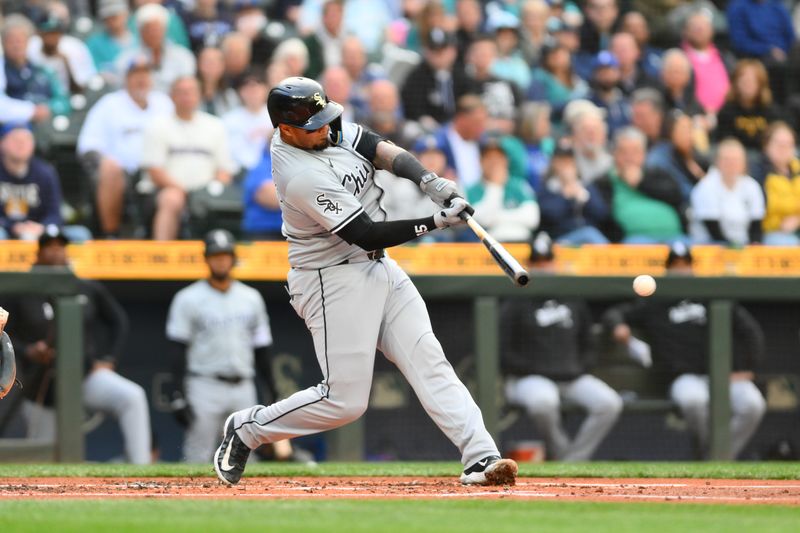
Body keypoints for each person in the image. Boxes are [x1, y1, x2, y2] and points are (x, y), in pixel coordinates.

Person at [213, 77, 518, 487]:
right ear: (286, 129)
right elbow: (365, 232)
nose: (325, 130)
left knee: (428, 357)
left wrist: (427, 179)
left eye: (325, 120)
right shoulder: (299, 174)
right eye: (313, 126)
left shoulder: (321, 127)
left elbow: (376, 146)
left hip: (379, 268)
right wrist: (434, 221)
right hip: (331, 278)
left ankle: (480, 455)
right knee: (343, 403)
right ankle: (248, 429)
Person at [604, 242, 767, 459]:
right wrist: (618, 325)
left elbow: (751, 332)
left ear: (693, 267)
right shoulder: (656, 302)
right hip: (685, 377)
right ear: (667, 269)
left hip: (723, 376)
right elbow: (614, 313)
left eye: (685, 265)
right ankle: (712, 456)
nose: (681, 270)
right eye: (676, 265)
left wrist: (749, 368)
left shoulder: (709, 294)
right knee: (693, 401)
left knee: (753, 404)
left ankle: (715, 458)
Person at [5, 225, 151, 463]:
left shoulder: (85, 286)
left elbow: (118, 321)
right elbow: (5, 331)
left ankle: (142, 465)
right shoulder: (22, 288)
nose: (56, 253)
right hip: (38, 387)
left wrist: (108, 358)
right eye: (49, 247)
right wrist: (27, 351)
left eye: (60, 247)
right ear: (38, 254)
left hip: (83, 378)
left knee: (132, 396)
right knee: (42, 463)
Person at [167, 229, 291, 462]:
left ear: (233, 258)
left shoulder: (251, 297)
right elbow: (177, 349)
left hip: (243, 386)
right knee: (197, 455)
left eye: (225, 255)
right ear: (206, 259)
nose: (221, 260)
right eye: (216, 255)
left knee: (247, 457)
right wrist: (177, 393)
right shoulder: (187, 298)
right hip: (204, 385)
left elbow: (262, 348)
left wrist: (272, 389)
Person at [502, 234, 622, 460]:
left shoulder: (571, 297)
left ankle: (573, 460)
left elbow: (588, 342)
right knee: (543, 402)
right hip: (530, 378)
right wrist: (534, 366)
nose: (544, 267)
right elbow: (502, 349)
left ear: (555, 263)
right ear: (530, 266)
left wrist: (579, 367)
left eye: (547, 261)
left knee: (609, 403)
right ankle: (561, 453)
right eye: (538, 262)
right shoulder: (515, 300)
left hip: (570, 377)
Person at [77, 57, 174, 238]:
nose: (141, 79)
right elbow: (88, 146)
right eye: (136, 74)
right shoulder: (109, 104)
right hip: (122, 173)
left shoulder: (164, 103)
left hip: (157, 171)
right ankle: (110, 234)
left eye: (145, 74)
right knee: (110, 169)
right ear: (126, 78)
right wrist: (107, 162)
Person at [140, 76, 235, 240]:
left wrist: (209, 190)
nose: (186, 97)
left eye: (191, 92)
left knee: (219, 201)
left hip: (206, 192)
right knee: (172, 198)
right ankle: (162, 254)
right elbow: (155, 170)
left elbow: (225, 170)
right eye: (181, 92)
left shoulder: (215, 126)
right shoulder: (158, 125)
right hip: (165, 190)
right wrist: (186, 193)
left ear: (199, 95)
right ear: (172, 96)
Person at [594, 127, 686, 244]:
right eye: (624, 152)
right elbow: (602, 217)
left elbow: (677, 196)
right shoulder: (604, 182)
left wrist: (641, 183)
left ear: (644, 154)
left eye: (635, 151)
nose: (629, 157)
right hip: (633, 241)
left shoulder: (657, 173)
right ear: (615, 154)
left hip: (675, 237)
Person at [0, 125, 91, 242]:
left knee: (81, 234)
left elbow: (55, 214)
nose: (21, 145)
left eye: (26, 140)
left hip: (40, 231)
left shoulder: (45, 172)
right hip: (5, 230)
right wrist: (12, 226)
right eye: (15, 140)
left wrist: (42, 227)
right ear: (2, 143)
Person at [690, 138, 765, 246]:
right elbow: (714, 231)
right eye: (726, 159)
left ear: (744, 163)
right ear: (717, 161)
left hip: (743, 247)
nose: (731, 164)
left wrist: (753, 246)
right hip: (709, 247)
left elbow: (756, 226)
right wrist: (735, 249)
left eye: (736, 160)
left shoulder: (752, 186)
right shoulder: (706, 187)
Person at [466, 134, 539, 243]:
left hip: (522, 242)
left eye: (499, 157)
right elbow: (483, 221)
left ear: (506, 160)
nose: (494, 162)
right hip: (489, 246)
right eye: (489, 158)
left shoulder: (519, 184)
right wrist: (495, 187)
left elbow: (532, 218)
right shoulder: (471, 190)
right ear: (480, 161)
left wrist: (498, 217)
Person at [0, 14, 70, 125]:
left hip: (48, 126)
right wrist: (31, 111)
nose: (16, 45)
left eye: (20, 40)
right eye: (11, 41)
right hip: (12, 126)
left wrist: (49, 108)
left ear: (28, 42)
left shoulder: (44, 71)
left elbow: (64, 102)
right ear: (3, 43)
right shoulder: (2, 70)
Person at [401, 28, 476, 127]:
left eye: (442, 50)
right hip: (428, 128)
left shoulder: (461, 74)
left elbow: (470, 99)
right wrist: (423, 118)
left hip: (459, 125)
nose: (438, 55)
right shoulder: (416, 76)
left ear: (453, 51)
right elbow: (412, 107)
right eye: (433, 50)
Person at [537, 142, 609, 245]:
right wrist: (566, 197)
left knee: (589, 234)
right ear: (554, 164)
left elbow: (601, 213)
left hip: (587, 240)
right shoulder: (547, 188)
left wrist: (584, 197)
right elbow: (549, 216)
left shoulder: (586, 186)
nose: (566, 167)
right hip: (559, 240)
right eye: (561, 162)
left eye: (569, 162)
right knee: (589, 234)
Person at [116, 3, 196, 93]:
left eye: (156, 29)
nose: (153, 34)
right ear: (140, 32)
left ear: (165, 30)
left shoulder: (183, 56)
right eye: (148, 30)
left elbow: (187, 90)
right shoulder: (126, 59)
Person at [27, 7, 97, 94]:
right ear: (40, 33)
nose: (51, 38)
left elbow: (84, 87)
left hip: (70, 99)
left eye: (55, 33)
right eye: (48, 33)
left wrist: (67, 64)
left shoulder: (75, 47)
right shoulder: (30, 47)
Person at [715, 60, 780, 151]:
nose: (748, 85)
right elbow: (723, 142)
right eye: (744, 81)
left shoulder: (771, 112)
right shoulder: (726, 112)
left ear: (761, 85)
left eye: (753, 81)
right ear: (735, 83)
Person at [646, 110, 710, 202]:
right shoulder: (660, 158)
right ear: (670, 131)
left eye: (690, 128)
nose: (690, 135)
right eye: (684, 129)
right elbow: (685, 192)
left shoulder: (691, 153)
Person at [681, 9, 731, 115]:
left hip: (725, 117)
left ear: (712, 31)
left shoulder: (725, 57)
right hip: (693, 116)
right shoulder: (679, 58)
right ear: (685, 31)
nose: (700, 29)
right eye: (695, 27)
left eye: (704, 26)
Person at [222, 68, 272, 174]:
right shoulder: (228, 120)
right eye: (247, 88)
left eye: (257, 87)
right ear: (240, 92)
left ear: (266, 89)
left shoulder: (279, 117)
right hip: (239, 173)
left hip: (272, 171)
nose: (253, 92)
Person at [761, 122, 800, 245]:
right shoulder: (758, 172)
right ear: (767, 145)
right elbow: (761, 211)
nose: (783, 149)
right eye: (779, 144)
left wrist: (797, 220)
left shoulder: (798, 168)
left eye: (788, 144)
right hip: (774, 232)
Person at [86, 0, 138, 83]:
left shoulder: (139, 38)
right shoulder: (94, 44)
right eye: (108, 17)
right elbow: (91, 72)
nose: (112, 21)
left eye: (115, 16)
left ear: (126, 14)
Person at [302, 0, 345, 80]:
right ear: (323, 17)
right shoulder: (311, 42)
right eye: (332, 15)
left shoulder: (347, 39)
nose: (335, 19)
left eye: (338, 14)